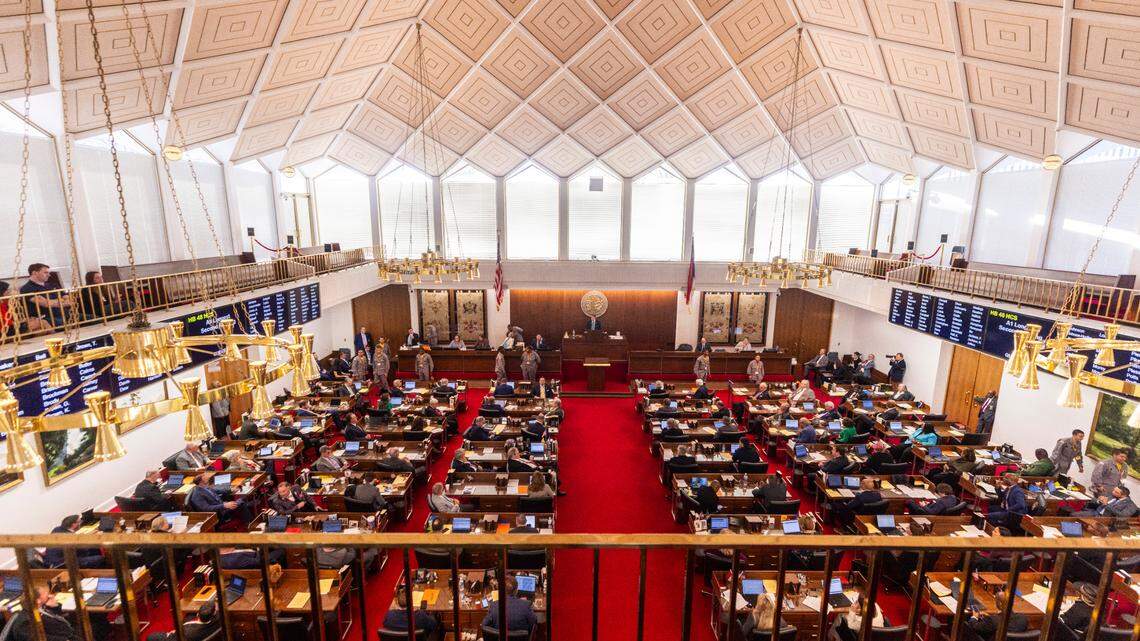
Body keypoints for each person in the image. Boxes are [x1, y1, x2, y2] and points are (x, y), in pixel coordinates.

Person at [6, 586, 84, 641]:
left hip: (70, 633)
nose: (50, 595)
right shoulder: (24, 622)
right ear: (38, 600)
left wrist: (55, 606)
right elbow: (38, 638)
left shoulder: (41, 607)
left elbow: (57, 615)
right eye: (46, 594)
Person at [962, 588, 1027, 641]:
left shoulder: (993, 620)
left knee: (966, 625)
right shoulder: (1023, 618)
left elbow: (976, 627)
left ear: (999, 603)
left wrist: (974, 617)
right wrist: (989, 617)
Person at [187, 473, 251, 523]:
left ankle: (248, 506)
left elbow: (217, 490)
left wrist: (231, 490)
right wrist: (224, 505)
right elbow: (206, 508)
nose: (208, 478)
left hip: (222, 505)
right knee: (241, 502)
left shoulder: (205, 487)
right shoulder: (197, 495)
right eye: (205, 478)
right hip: (219, 513)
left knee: (241, 500)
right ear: (201, 482)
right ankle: (248, 523)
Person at [146, 602, 220, 641]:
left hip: (173, 638)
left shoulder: (186, 632)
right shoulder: (218, 619)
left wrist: (171, 634)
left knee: (151, 637)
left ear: (198, 614)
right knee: (189, 616)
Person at [1069, 485, 1138, 517]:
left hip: (1105, 519)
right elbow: (1095, 500)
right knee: (1072, 514)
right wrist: (1099, 500)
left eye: (1116, 492)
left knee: (1073, 515)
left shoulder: (1131, 505)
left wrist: (1106, 505)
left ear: (1123, 495)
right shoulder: (1113, 495)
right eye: (1114, 490)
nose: (1113, 492)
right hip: (1095, 512)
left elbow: (1122, 515)